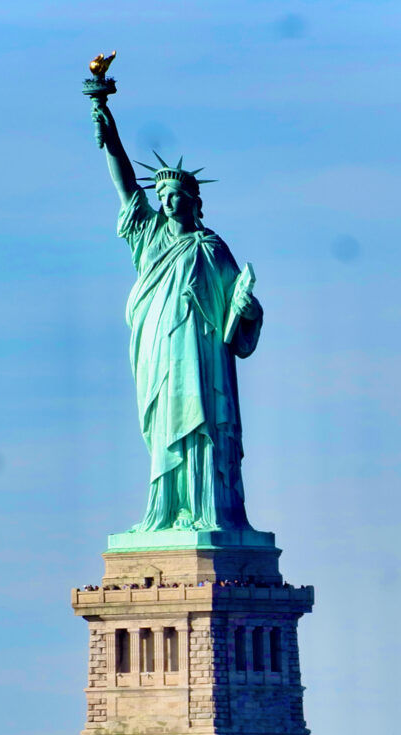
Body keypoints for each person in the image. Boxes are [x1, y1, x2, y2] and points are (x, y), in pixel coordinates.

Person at [91, 103, 263, 533]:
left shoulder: (211, 247)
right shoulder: (148, 235)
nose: (166, 202)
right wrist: (111, 137)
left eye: (175, 197)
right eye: (162, 196)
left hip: (201, 356)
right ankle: (166, 510)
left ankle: (206, 509)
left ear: (193, 203)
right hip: (158, 350)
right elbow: (127, 186)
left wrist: (246, 310)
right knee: (166, 423)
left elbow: (239, 309)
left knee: (202, 421)